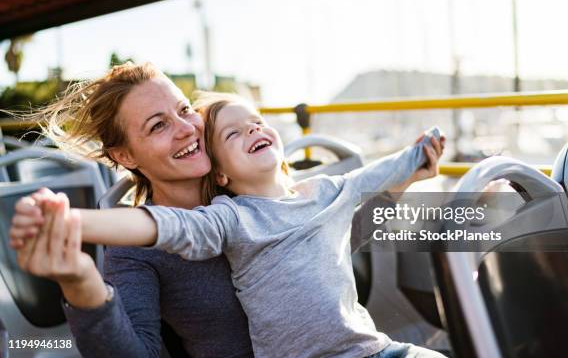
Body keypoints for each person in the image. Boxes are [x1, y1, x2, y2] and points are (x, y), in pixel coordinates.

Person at [10, 62, 446, 357]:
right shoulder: (136, 250)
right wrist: (80, 280)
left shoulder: (252, 183)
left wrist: (405, 182)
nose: (186, 130)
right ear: (125, 156)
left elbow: (330, 239)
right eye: (159, 125)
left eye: (184, 111)